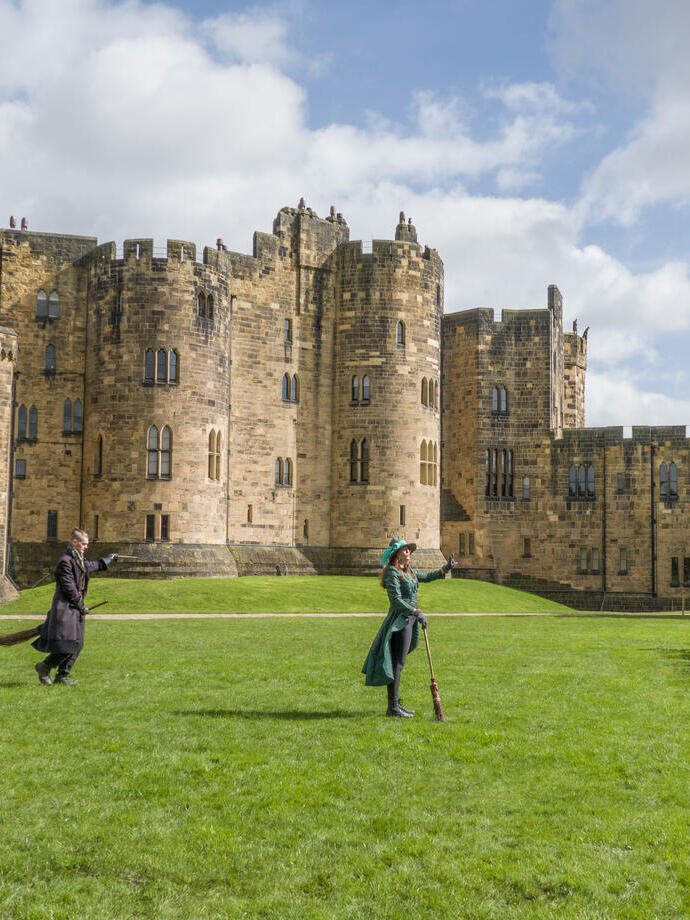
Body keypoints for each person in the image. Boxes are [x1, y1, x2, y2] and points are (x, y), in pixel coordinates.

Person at [362, 538, 456, 717]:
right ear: (396, 553)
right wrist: (415, 611)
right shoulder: (392, 573)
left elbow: (427, 577)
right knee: (397, 663)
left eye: (408, 549)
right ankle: (393, 707)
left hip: (410, 619)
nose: (408, 552)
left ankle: (395, 704)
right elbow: (396, 601)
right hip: (400, 621)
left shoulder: (409, 571)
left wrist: (446, 568)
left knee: (399, 662)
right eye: (404, 549)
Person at [32, 529, 118, 685]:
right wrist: (80, 604)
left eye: (87, 544)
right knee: (69, 644)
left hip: (75, 609)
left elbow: (91, 565)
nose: (86, 547)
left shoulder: (78, 558)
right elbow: (69, 587)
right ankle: (44, 666)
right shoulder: (65, 561)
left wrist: (108, 560)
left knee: (78, 644)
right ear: (74, 542)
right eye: (84, 544)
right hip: (65, 608)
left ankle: (62, 676)